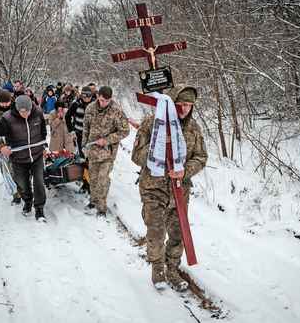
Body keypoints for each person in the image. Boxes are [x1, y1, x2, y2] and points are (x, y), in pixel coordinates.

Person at [131, 86, 207, 292]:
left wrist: (185, 170)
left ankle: (172, 269)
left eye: (189, 105)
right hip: (153, 188)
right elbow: (136, 156)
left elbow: (201, 158)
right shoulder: (151, 123)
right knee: (156, 232)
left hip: (179, 191)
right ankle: (157, 270)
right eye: (181, 104)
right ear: (172, 104)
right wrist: (158, 147)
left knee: (177, 233)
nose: (185, 109)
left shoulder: (193, 129)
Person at [0, 95, 48, 222]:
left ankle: (39, 209)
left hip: (36, 155)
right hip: (18, 158)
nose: (25, 114)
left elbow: (43, 132)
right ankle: (27, 201)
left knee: (39, 182)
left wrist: (44, 146)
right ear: (17, 109)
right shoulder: (8, 118)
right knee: (22, 184)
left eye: (28, 112)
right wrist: (0, 147)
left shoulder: (38, 113)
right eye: (22, 112)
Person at [82, 86, 129, 215]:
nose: (104, 103)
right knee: (93, 178)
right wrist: (84, 146)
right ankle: (93, 201)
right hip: (92, 150)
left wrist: (107, 140)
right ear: (98, 96)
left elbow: (125, 131)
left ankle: (101, 208)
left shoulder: (116, 110)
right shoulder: (90, 108)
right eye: (102, 100)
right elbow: (85, 128)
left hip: (107, 153)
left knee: (102, 180)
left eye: (107, 101)